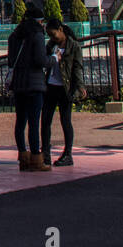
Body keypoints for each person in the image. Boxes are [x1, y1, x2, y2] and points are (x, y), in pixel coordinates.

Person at [7, 2, 49, 171]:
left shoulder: (14, 36)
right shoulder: (37, 36)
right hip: (34, 83)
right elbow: (40, 61)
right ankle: (36, 160)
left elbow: (11, 61)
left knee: (20, 122)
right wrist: (53, 60)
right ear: (39, 21)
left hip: (18, 84)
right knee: (34, 122)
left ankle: (23, 156)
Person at [42, 20, 87, 168]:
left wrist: (80, 86)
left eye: (53, 34)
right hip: (50, 86)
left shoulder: (73, 46)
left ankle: (68, 154)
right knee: (45, 120)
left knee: (65, 121)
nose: (52, 37)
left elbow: (77, 67)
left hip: (65, 88)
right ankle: (45, 154)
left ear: (60, 29)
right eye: (49, 35)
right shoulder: (50, 45)